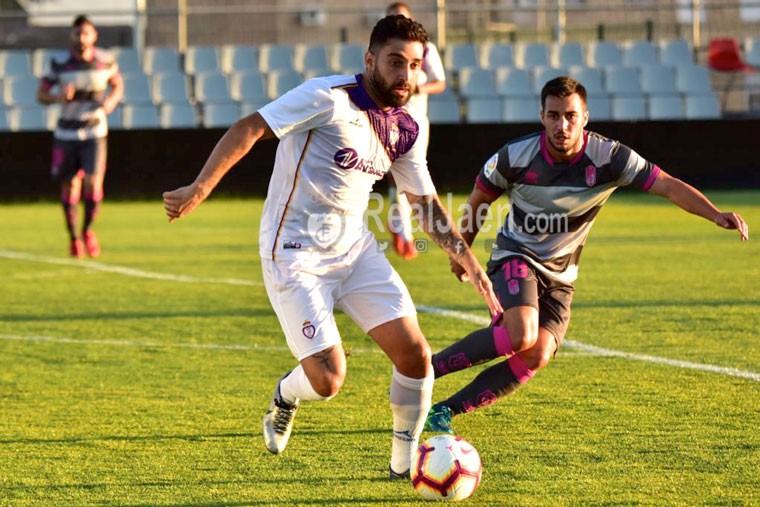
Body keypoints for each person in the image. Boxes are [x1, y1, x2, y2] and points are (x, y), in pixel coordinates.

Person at [162, 16, 501, 479]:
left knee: (416, 356)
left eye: (415, 65)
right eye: (395, 62)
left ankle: (404, 466)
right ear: (370, 60)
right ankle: (286, 394)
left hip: (355, 249)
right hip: (294, 252)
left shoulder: (406, 127)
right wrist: (200, 188)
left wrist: (465, 258)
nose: (406, 75)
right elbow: (250, 127)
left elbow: (423, 202)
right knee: (328, 379)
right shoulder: (327, 96)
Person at [425, 76, 749, 434]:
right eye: (553, 116)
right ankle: (426, 369)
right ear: (542, 116)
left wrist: (715, 214)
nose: (561, 125)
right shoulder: (514, 157)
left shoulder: (610, 158)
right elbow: (478, 201)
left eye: (570, 116)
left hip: (562, 278)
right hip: (515, 256)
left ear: (585, 117)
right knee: (520, 334)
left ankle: (443, 411)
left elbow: (668, 185)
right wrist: (463, 253)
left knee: (538, 353)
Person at [37, 14, 124, 258]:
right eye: (77, 33)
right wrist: (57, 97)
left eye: (86, 33)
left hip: (95, 131)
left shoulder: (105, 60)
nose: (81, 37)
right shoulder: (59, 62)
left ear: (94, 36)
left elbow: (118, 85)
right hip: (66, 132)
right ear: (71, 36)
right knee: (70, 186)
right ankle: (73, 238)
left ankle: (87, 230)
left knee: (93, 184)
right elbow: (41, 95)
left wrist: (111, 101)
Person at [385, 2, 447, 260]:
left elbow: (440, 82)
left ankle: (399, 225)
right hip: (390, 119)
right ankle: (404, 233)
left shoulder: (426, 48)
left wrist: (421, 88)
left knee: (411, 176)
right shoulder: (382, 50)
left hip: (417, 120)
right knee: (398, 177)